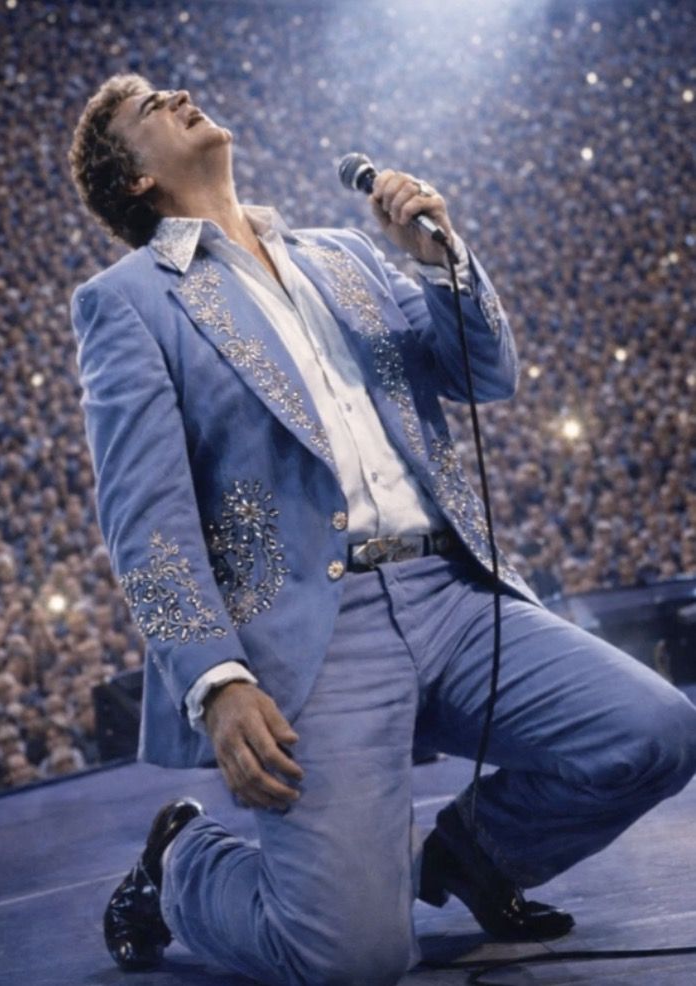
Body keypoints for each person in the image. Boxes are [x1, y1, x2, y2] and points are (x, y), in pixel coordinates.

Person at [68, 73, 696, 986]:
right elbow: (143, 513)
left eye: (170, 89)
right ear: (136, 180)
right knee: (352, 961)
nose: (178, 94)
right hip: (318, 634)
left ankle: (475, 860)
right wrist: (216, 679)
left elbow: (482, 375)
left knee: (656, 732)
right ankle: (180, 867)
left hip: (454, 596)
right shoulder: (130, 300)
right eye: (148, 107)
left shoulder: (345, 257)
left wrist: (443, 263)